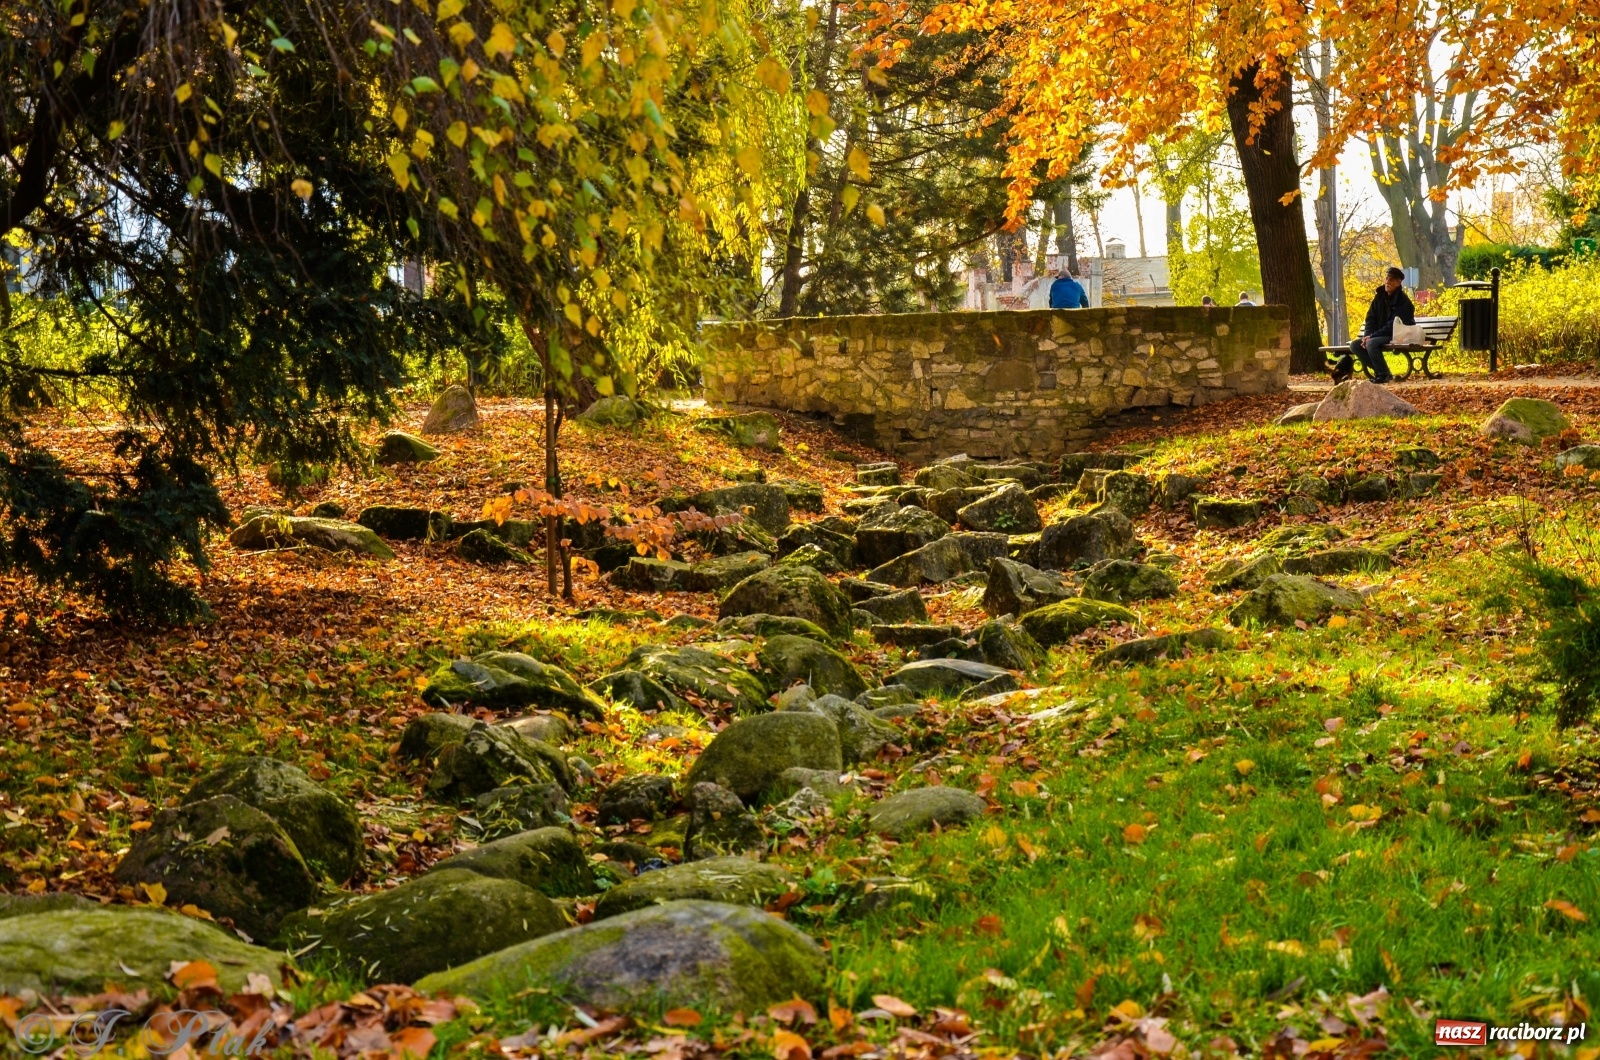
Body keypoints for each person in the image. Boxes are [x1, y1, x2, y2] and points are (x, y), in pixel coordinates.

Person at [1331, 266, 1414, 385]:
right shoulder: (1379, 297)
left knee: (1372, 343)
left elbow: (1393, 326)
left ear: (1398, 282)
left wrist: (1372, 337)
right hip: (1380, 334)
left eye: (1391, 280)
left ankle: (1384, 373)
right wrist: (1367, 336)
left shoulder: (1404, 302)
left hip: (1398, 334)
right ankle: (1381, 372)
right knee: (1355, 345)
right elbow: (1370, 319)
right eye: (1386, 278)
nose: (1387, 282)